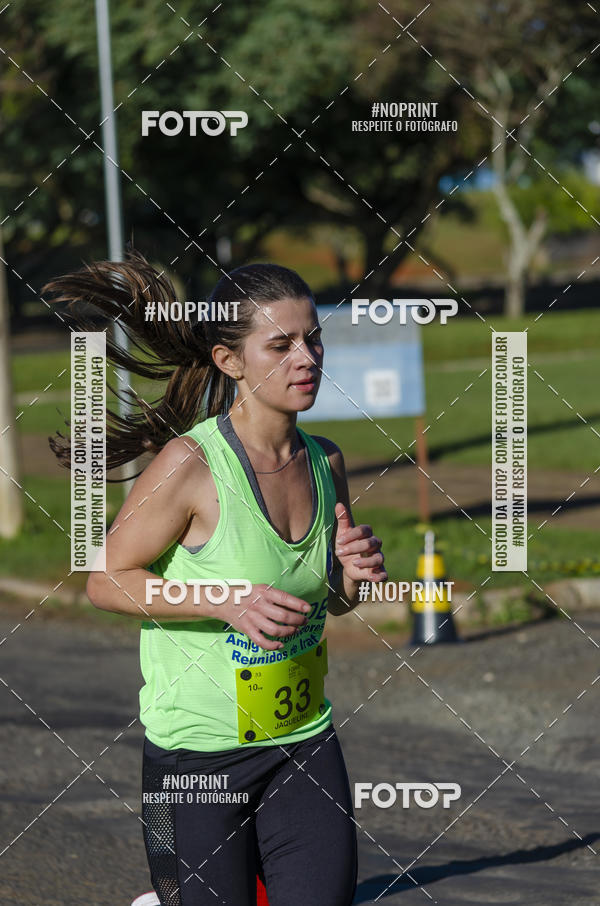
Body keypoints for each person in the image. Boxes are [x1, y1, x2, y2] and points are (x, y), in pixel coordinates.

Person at [44, 249, 387, 906]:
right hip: (195, 760)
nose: (307, 359)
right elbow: (105, 581)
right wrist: (224, 599)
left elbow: (336, 602)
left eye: (313, 339)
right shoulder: (190, 465)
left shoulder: (326, 461)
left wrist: (355, 575)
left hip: (303, 742)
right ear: (231, 361)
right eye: (280, 346)